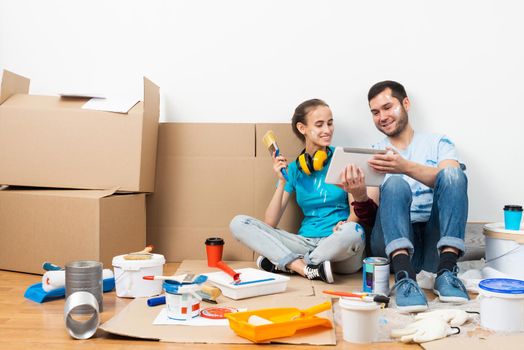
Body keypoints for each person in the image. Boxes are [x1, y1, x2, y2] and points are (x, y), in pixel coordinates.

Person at [339, 81, 469, 311]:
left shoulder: (439, 143)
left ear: (406, 103)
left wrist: (405, 166)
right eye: (375, 112)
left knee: (453, 174)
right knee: (396, 183)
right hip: (391, 244)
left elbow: (452, 180)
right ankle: (403, 277)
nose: (382, 116)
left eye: (388, 107)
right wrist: (358, 195)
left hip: (433, 242)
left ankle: (446, 272)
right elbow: (371, 219)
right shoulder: (374, 153)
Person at [229, 99, 366, 284]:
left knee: (354, 231)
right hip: (304, 241)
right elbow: (270, 222)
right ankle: (306, 269)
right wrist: (282, 180)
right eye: (319, 125)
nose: (327, 130)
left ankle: (287, 263)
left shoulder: (344, 160)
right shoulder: (293, 170)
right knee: (238, 223)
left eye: (330, 123)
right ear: (302, 128)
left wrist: (343, 227)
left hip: (338, 245)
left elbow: (355, 214)